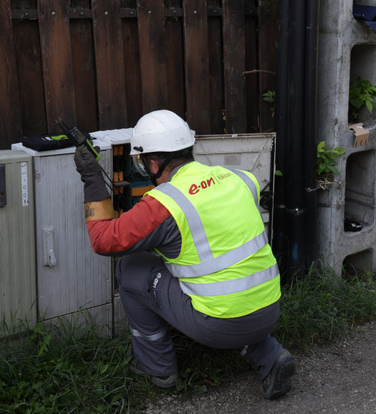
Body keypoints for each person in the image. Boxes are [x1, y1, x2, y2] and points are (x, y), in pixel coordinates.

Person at [73, 109, 296, 399]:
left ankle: (157, 368)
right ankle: (268, 352)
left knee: (131, 267)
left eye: (142, 162)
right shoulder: (241, 178)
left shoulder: (163, 205)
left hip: (218, 325)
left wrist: (92, 178)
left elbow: (102, 240)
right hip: (268, 310)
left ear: (153, 163)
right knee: (224, 290)